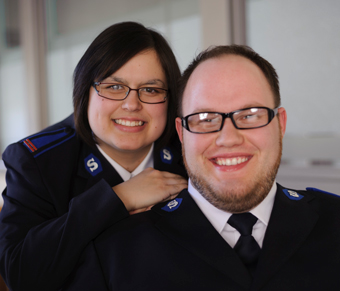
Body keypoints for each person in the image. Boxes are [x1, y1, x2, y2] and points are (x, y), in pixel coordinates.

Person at [62, 44, 340, 291]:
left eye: (250, 115)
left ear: (279, 124)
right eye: (205, 118)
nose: (228, 138)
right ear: (182, 134)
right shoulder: (115, 251)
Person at [0, 21, 187, 291]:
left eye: (151, 90)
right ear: (85, 92)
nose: (132, 105)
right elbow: (20, 274)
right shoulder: (39, 162)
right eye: (113, 86)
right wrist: (118, 198)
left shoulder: (190, 153)